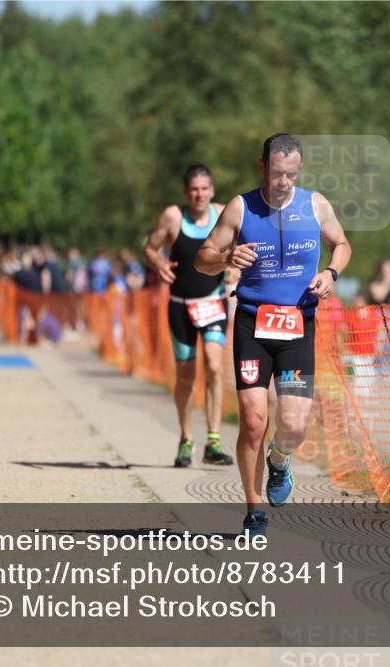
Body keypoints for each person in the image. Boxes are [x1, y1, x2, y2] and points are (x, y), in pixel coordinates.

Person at [196, 134, 351, 535]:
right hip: (252, 324)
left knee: (295, 424)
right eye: (277, 172)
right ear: (263, 167)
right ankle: (254, 507)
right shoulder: (241, 207)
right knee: (252, 420)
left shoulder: (315, 205)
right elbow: (203, 259)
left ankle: (278, 462)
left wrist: (331, 272)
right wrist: (227, 258)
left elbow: (342, 244)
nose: (284, 181)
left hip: (298, 325)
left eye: (292, 174)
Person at [144, 164, 235, 467]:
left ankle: (214, 440)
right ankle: (186, 439)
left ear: (212, 191)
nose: (199, 194)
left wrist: (234, 267)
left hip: (212, 303)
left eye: (204, 188)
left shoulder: (223, 214)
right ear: (186, 192)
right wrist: (157, 263)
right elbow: (150, 248)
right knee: (185, 377)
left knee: (214, 364)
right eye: (194, 189)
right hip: (180, 305)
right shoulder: (172, 216)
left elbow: (239, 248)